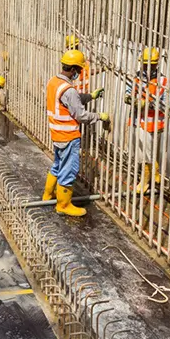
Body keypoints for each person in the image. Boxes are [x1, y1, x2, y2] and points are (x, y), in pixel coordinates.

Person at [42, 50, 109, 216]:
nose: (79, 74)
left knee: (57, 165)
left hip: (57, 134)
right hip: (69, 136)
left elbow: (71, 100)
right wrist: (99, 116)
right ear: (73, 69)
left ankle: (47, 195)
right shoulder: (69, 90)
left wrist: (90, 96)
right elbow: (80, 115)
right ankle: (63, 205)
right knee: (69, 170)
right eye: (78, 70)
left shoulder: (54, 82)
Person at [127, 47, 170, 195]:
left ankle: (145, 180)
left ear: (156, 64)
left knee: (146, 153)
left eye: (150, 64)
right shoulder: (137, 77)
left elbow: (166, 105)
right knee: (141, 152)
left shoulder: (163, 81)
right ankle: (153, 171)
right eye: (145, 64)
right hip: (138, 120)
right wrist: (130, 99)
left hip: (153, 123)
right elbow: (129, 91)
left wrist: (149, 104)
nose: (147, 67)